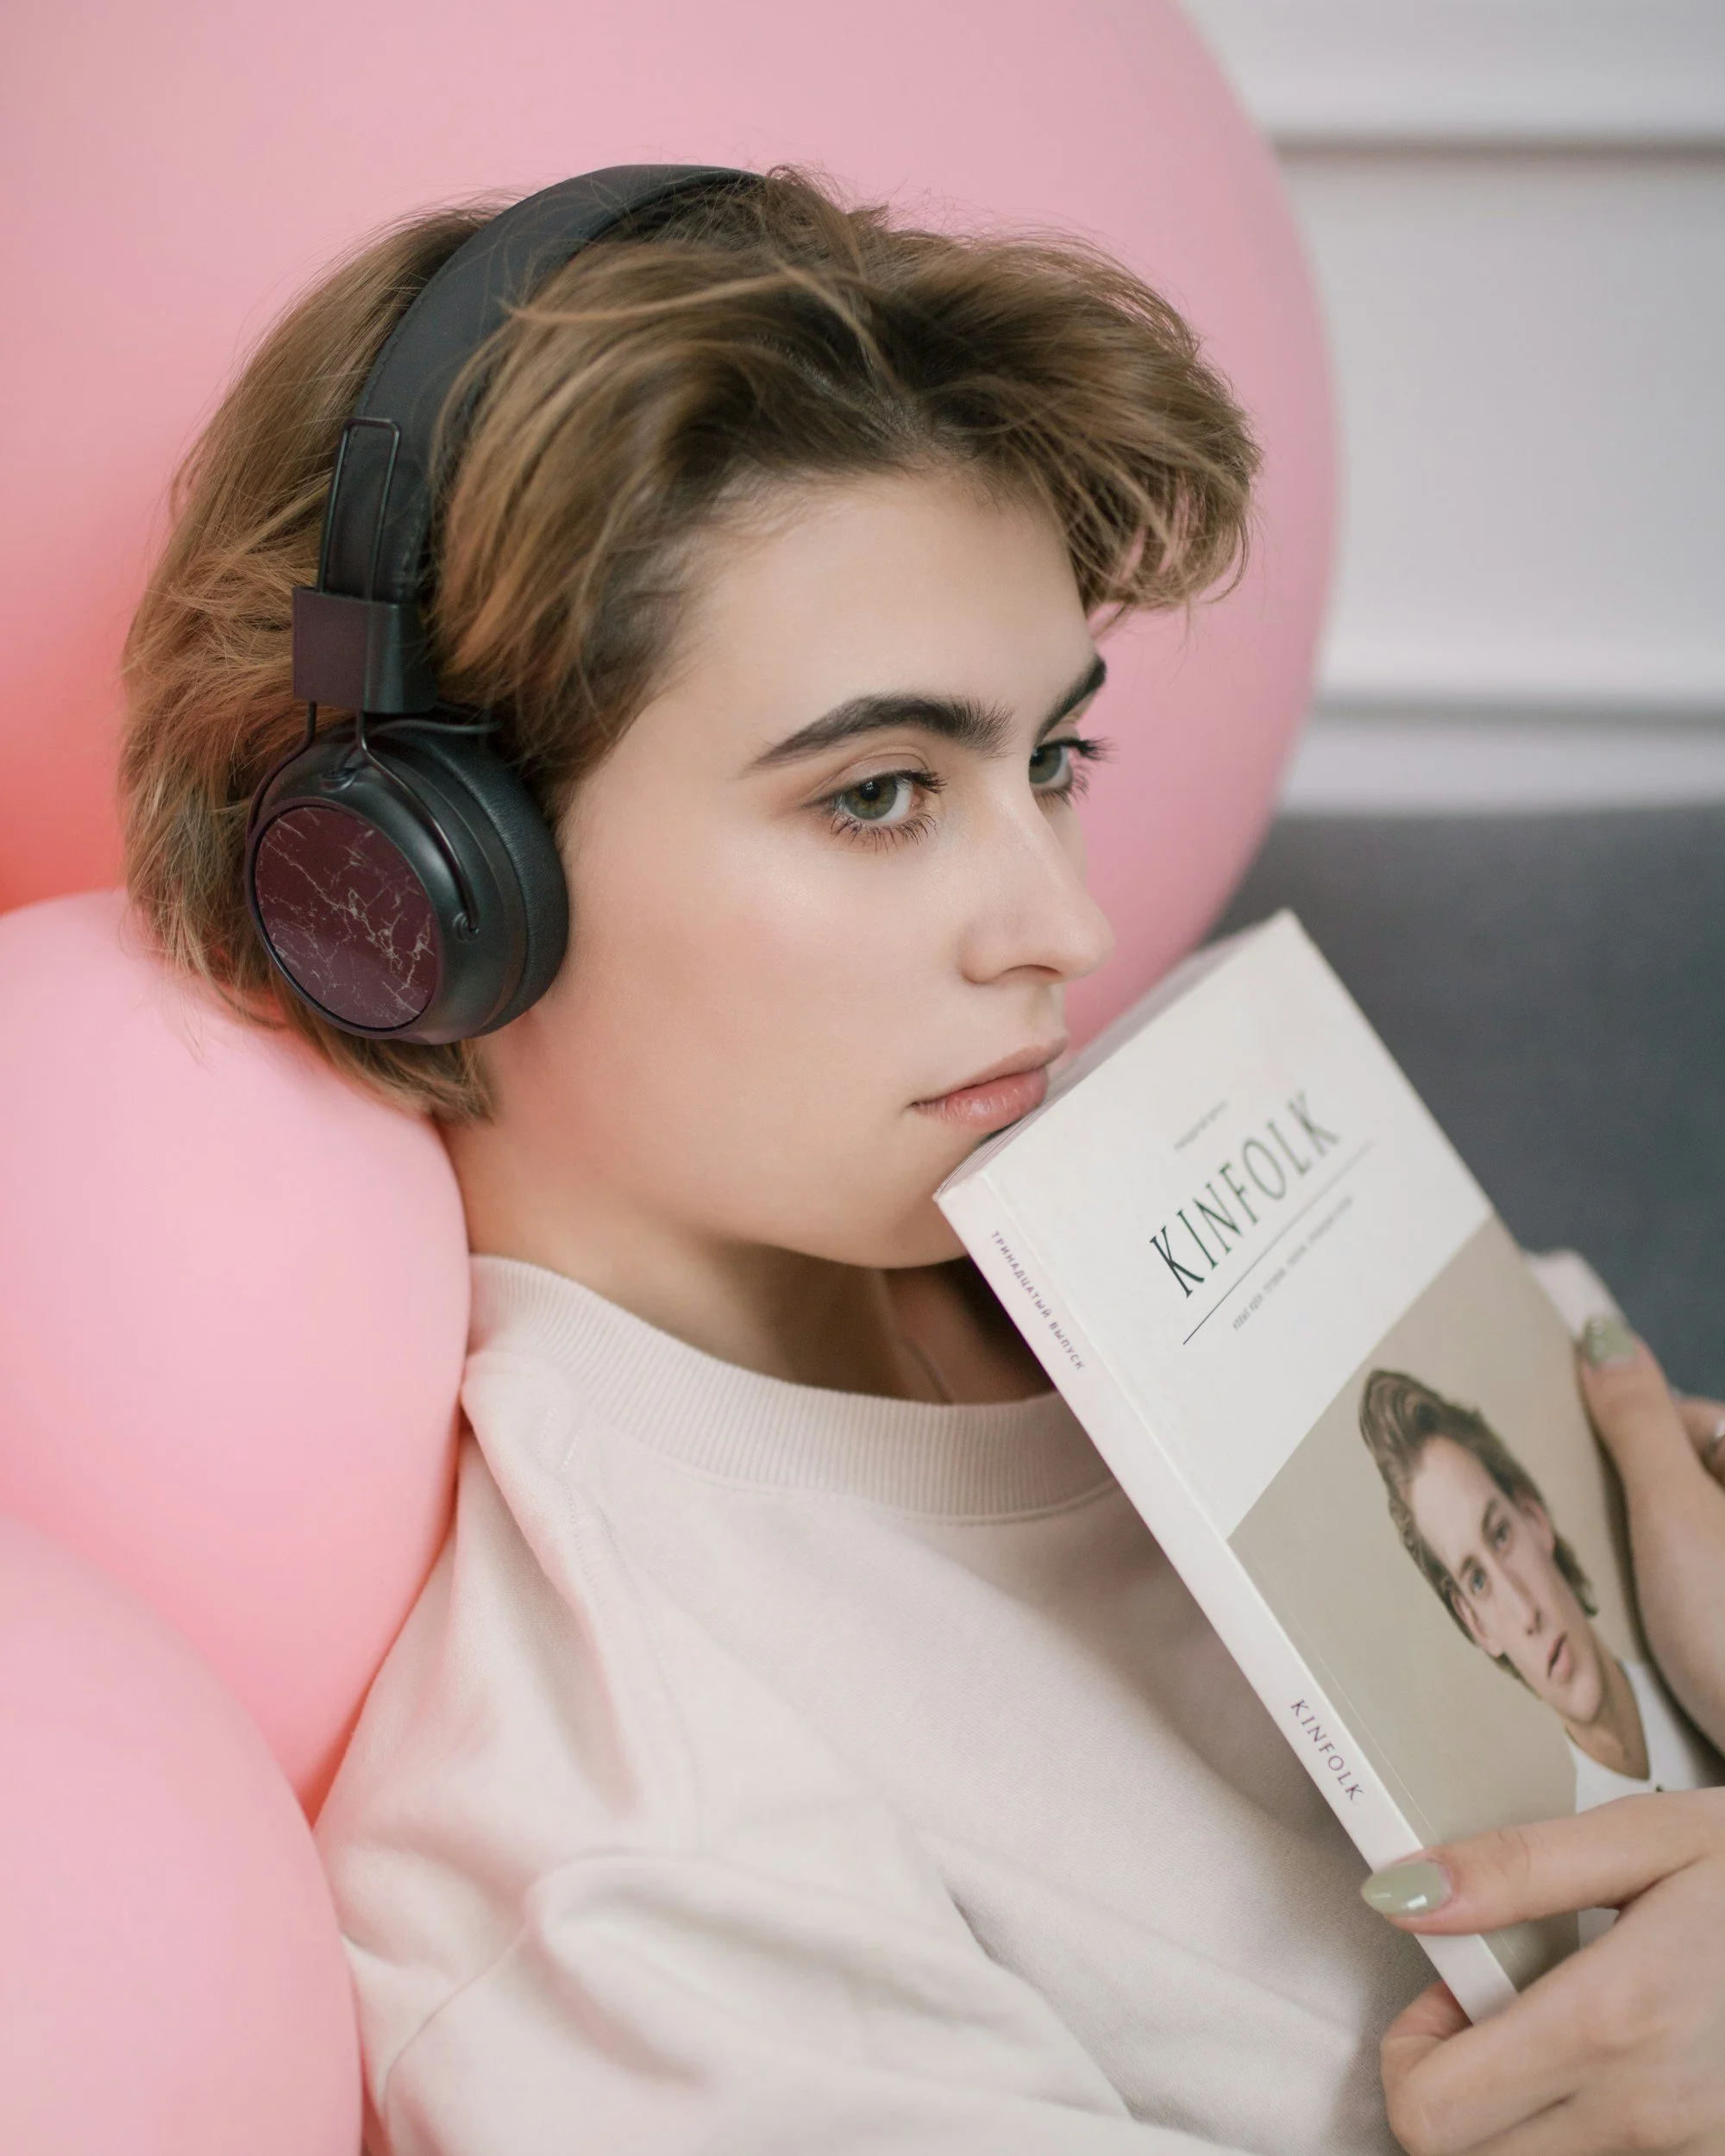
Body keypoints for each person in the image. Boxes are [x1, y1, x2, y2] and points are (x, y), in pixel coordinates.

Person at [120, 167, 1725, 2156]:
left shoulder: (1264, 1273)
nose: (1056, 919)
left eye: (1050, 760)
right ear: (424, 891)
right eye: (878, 794)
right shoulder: (635, 1878)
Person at [1358, 1368, 1717, 1809]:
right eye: (1477, 1580)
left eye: (1501, 1535)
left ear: (1533, 1518)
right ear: (1476, 1625)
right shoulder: (1588, 1854)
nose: (1526, 1612)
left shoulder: (1706, 1654)